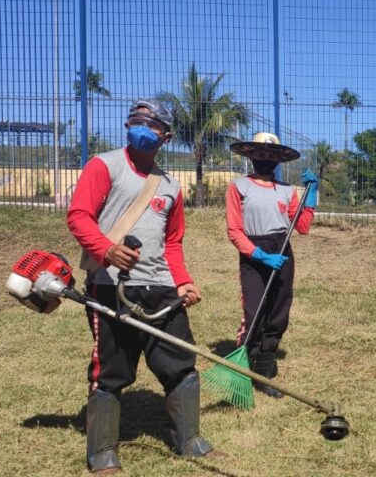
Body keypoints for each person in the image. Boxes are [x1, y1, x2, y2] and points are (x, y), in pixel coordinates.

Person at [66, 100, 226, 474]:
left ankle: (189, 441)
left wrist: (183, 281)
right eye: (136, 121)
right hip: (111, 287)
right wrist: (107, 250)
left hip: (162, 289)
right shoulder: (104, 165)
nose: (142, 127)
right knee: (111, 371)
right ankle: (103, 453)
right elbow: (79, 216)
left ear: (166, 136)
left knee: (181, 365)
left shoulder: (170, 185)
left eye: (151, 124)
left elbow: (172, 242)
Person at [225, 132, 317, 397]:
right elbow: (234, 231)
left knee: (278, 311)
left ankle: (264, 370)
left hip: (282, 250)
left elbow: (302, 227)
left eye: (270, 155)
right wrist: (259, 255)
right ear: (251, 156)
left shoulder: (287, 191)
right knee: (255, 312)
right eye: (260, 154)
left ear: (278, 160)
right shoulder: (239, 187)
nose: (265, 159)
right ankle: (244, 367)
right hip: (254, 255)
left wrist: (311, 195)